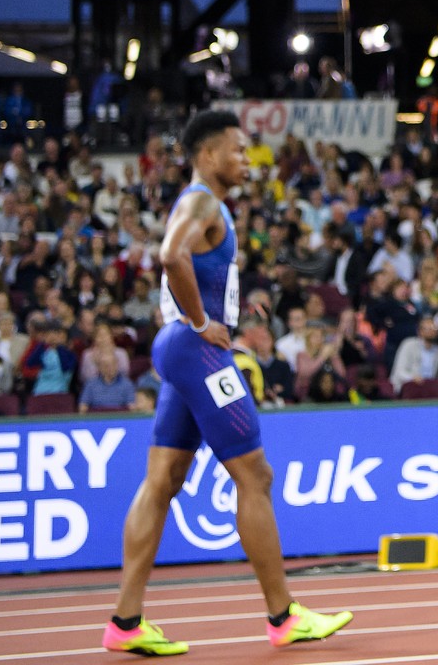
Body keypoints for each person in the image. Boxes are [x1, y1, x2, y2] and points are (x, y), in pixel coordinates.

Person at [104, 110, 350, 656]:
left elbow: (194, 263)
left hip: (179, 348)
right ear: (208, 155)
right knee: (256, 476)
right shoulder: (202, 201)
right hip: (195, 350)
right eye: (238, 150)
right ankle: (283, 616)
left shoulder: (203, 204)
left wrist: (229, 307)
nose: (246, 159)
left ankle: (124, 623)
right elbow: (170, 256)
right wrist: (202, 322)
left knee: (162, 480)